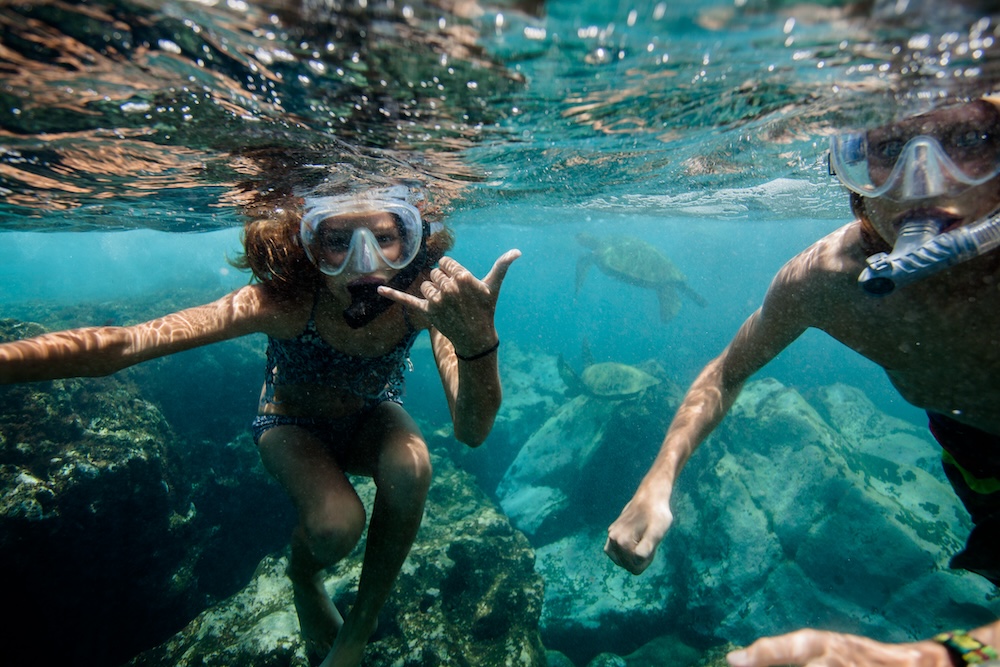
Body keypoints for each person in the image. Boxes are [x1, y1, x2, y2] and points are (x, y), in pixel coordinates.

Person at [0, 184, 520, 667]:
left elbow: (472, 431)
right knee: (335, 526)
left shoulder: (423, 302)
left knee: (412, 465)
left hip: (371, 414)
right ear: (306, 243)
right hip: (291, 425)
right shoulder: (285, 302)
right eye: (338, 241)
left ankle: (359, 626)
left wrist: (477, 342)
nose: (366, 263)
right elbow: (126, 344)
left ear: (411, 238)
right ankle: (302, 579)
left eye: (385, 238)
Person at [604, 93, 1000, 666]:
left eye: (968, 140)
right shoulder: (826, 281)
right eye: (888, 148)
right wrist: (659, 478)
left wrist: (933, 659)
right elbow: (725, 372)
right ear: (851, 173)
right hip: (976, 464)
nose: (924, 181)